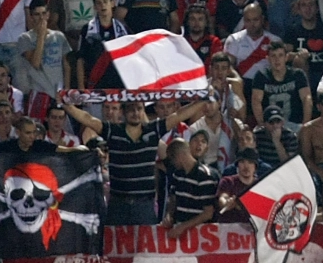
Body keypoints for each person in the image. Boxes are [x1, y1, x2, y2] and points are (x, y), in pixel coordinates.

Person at [65, 95, 206, 225]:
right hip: (117, 205)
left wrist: (203, 100)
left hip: (144, 206)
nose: (135, 112)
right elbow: (88, 119)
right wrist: (66, 105)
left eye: (139, 108)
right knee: (114, 251)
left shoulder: (154, 129)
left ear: (143, 110)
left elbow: (179, 115)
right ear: (123, 112)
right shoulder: (112, 130)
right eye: (131, 109)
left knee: (144, 251)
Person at [161, 137, 217, 238]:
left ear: (178, 156)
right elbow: (173, 199)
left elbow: (208, 213)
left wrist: (183, 227)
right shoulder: (177, 174)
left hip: (200, 235)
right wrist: (169, 215)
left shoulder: (205, 176)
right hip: (179, 232)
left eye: (172, 159)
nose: (172, 163)